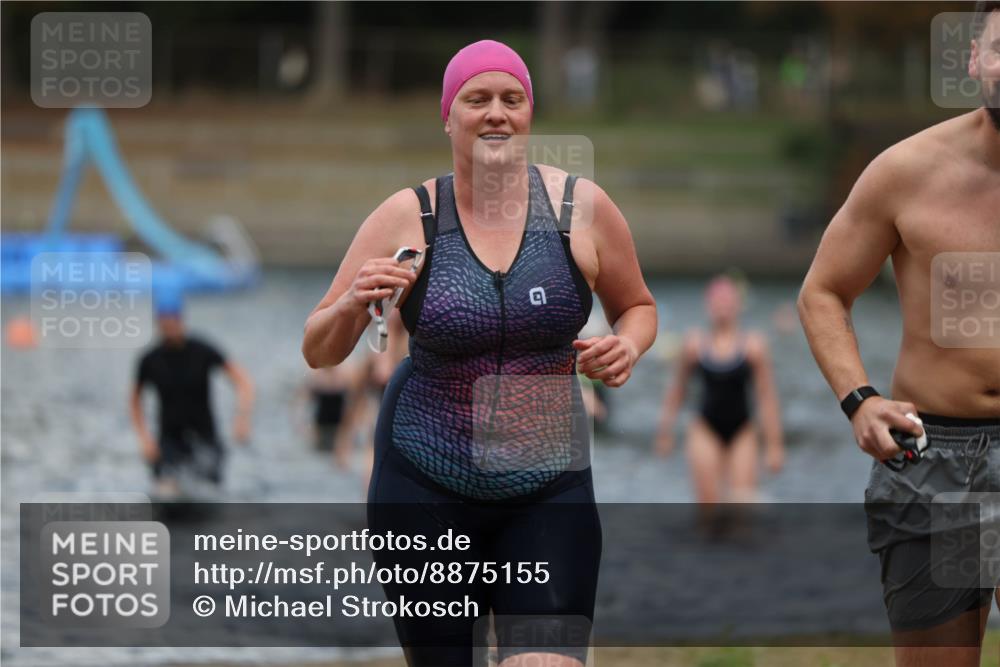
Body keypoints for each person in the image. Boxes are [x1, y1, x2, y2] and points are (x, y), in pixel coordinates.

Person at [303, 39, 657, 667]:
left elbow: (639, 306)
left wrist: (626, 344)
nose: (496, 112)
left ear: (529, 115)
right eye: (477, 99)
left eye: (511, 99)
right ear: (449, 116)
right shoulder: (407, 215)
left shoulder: (582, 210)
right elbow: (319, 350)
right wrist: (356, 300)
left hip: (547, 481)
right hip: (424, 480)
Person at [797, 3, 999, 665]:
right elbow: (824, 291)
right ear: (974, 61)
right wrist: (859, 398)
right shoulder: (906, 172)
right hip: (930, 453)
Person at [655, 275, 784, 503]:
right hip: (705, 428)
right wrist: (665, 433)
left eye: (728, 302)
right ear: (708, 305)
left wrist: (774, 445)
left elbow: (766, 396)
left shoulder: (754, 345)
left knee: (740, 502)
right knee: (709, 506)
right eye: (718, 302)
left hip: (742, 429)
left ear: (738, 305)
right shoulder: (694, 343)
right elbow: (677, 389)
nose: (723, 307)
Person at [131, 297, 254, 497]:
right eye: (164, 321)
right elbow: (134, 399)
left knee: (208, 489)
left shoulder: (202, 351)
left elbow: (243, 381)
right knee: (167, 490)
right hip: (170, 439)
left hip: (205, 435)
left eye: (173, 320)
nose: (169, 326)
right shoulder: (150, 359)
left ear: (181, 320)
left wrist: (242, 417)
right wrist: (144, 438)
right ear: (157, 323)